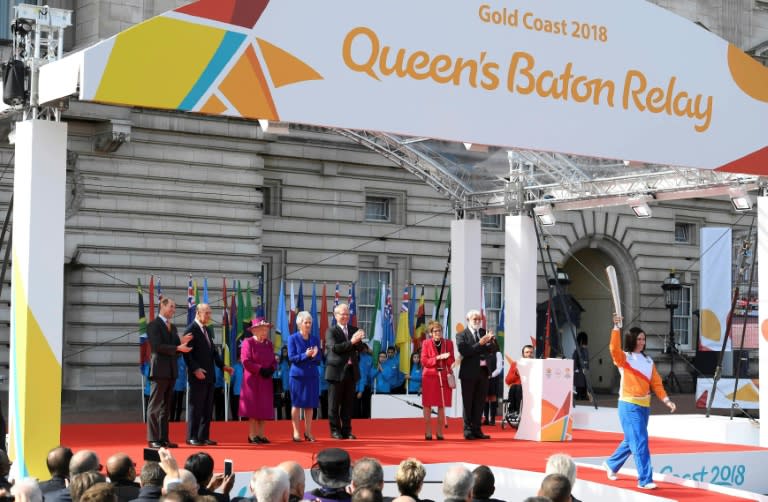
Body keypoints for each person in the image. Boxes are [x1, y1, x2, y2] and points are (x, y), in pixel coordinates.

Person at [603, 314, 676, 490]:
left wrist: (666, 400)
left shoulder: (648, 360)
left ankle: (611, 464)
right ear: (632, 339)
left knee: (631, 440)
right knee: (641, 440)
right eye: (639, 339)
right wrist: (616, 328)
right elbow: (613, 349)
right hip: (628, 405)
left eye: (644, 339)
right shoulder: (624, 358)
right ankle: (645, 479)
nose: (642, 342)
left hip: (644, 406)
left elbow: (656, 383)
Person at [182, 303, 232, 446]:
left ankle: (203, 436)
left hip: (210, 376)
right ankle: (192, 436)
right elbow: (187, 354)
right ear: (198, 313)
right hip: (197, 376)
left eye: (210, 313)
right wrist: (195, 369)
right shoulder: (191, 329)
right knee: (195, 407)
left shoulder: (207, 330)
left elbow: (213, 352)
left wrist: (223, 366)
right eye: (207, 313)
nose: (209, 316)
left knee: (207, 408)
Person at [147, 298, 192, 448]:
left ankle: (163, 438)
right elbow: (157, 346)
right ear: (163, 306)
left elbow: (174, 349)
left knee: (166, 408)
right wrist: (178, 348)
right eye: (171, 307)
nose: (174, 310)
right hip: (159, 370)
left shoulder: (172, 327)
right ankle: (153, 438)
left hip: (171, 371)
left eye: (174, 307)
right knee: (154, 406)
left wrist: (181, 344)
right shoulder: (153, 325)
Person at [325, 303, 366, 440]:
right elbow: (335, 348)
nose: (345, 316)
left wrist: (360, 339)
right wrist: (352, 341)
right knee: (334, 404)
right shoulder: (331, 331)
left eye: (347, 314)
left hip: (351, 371)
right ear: (336, 316)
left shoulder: (354, 329)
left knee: (348, 404)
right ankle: (335, 430)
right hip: (336, 371)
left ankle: (347, 430)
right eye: (342, 314)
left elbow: (360, 349)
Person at [456, 309, 495, 440]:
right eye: (475, 319)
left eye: (479, 319)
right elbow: (466, 351)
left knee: (479, 403)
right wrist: (480, 343)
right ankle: (467, 430)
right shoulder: (462, 335)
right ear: (468, 320)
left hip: (483, 372)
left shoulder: (483, 333)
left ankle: (477, 429)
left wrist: (491, 340)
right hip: (468, 373)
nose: (478, 321)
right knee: (468, 403)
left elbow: (493, 349)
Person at [239, 317, 278, 444]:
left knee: (264, 407)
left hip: (265, 380)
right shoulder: (248, 342)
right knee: (253, 408)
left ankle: (261, 435)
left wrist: (272, 369)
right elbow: (245, 361)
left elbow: (273, 359)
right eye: (262, 329)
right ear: (254, 330)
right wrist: (260, 369)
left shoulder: (269, 344)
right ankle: (252, 435)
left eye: (266, 329)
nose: (265, 332)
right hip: (252, 380)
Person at [287, 310, 322, 441]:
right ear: (299, 324)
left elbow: (319, 358)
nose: (308, 325)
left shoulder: (315, 339)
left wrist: (314, 356)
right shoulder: (292, 338)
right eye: (306, 322)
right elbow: (291, 357)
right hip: (297, 376)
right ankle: (296, 432)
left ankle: (308, 432)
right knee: (296, 404)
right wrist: (305, 355)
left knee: (310, 405)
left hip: (312, 375)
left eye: (310, 323)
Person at [420, 321, 455, 440]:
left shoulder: (448, 343)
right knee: (427, 405)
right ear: (430, 333)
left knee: (442, 405)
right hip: (429, 377)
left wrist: (453, 362)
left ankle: (439, 432)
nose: (438, 333)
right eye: (435, 331)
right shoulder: (426, 343)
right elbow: (424, 361)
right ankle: (428, 431)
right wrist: (438, 357)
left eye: (440, 330)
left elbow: (451, 361)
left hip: (444, 376)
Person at [504, 345, 534, 420]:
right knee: (514, 387)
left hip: (531, 389)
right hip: (518, 388)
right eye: (527, 352)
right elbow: (507, 381)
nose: (529, 354)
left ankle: (517, 411)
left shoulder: (536, 364)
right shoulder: (515, 364)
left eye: (531, 352)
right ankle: (512, 411)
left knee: (519, 387)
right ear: (523, 354)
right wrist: (516, 374)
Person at [482, 338, 502, 426]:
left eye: (491, 341)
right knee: (485, 398)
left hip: (493, 378)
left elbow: (499, 368)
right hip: (484, 378)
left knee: (493, 398)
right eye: (487, 341)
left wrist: (491, 375)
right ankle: (486, 418)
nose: (489, 343)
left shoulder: (498, 353)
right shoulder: (483, 353)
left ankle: (492, 419)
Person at [354, 343, 373, 419]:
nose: (363, 350)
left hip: (367, 385)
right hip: (356, 386)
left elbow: (366, 374)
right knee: (355, 408)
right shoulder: (357, 358)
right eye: (362, 348)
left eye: (365, 348)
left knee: (366, 406)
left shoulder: (370, 358)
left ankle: (365, 421)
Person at [572, 332, 590, 401]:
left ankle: (584, 396)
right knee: (579, 384)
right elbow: (574, 359)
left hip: (585, 369)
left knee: (585, 384)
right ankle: (578, 396)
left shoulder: (586, 350)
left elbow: (587, 359)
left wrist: (587, 368)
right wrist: (576, 368)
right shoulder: (577, 350)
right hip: (579, 369)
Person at [171, 355, 186, 422]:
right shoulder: (173, 357)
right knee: (172, 403)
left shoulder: (184, 358)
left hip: (180, 385)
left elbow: (186, 372)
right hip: (173, 385)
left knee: (179, 403)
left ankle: (177, 418)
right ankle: (171, 418)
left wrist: (185, 385)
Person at [279, 346, 292, 419]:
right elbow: (279, 377)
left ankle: (289, 420)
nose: (285, 353)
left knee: (289, 406)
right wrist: (281, 390)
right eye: (283, 351)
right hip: (283, 389)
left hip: (290, 388)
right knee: (281, 406)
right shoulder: (280, 364)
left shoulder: (290, 363)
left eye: (286, 351)